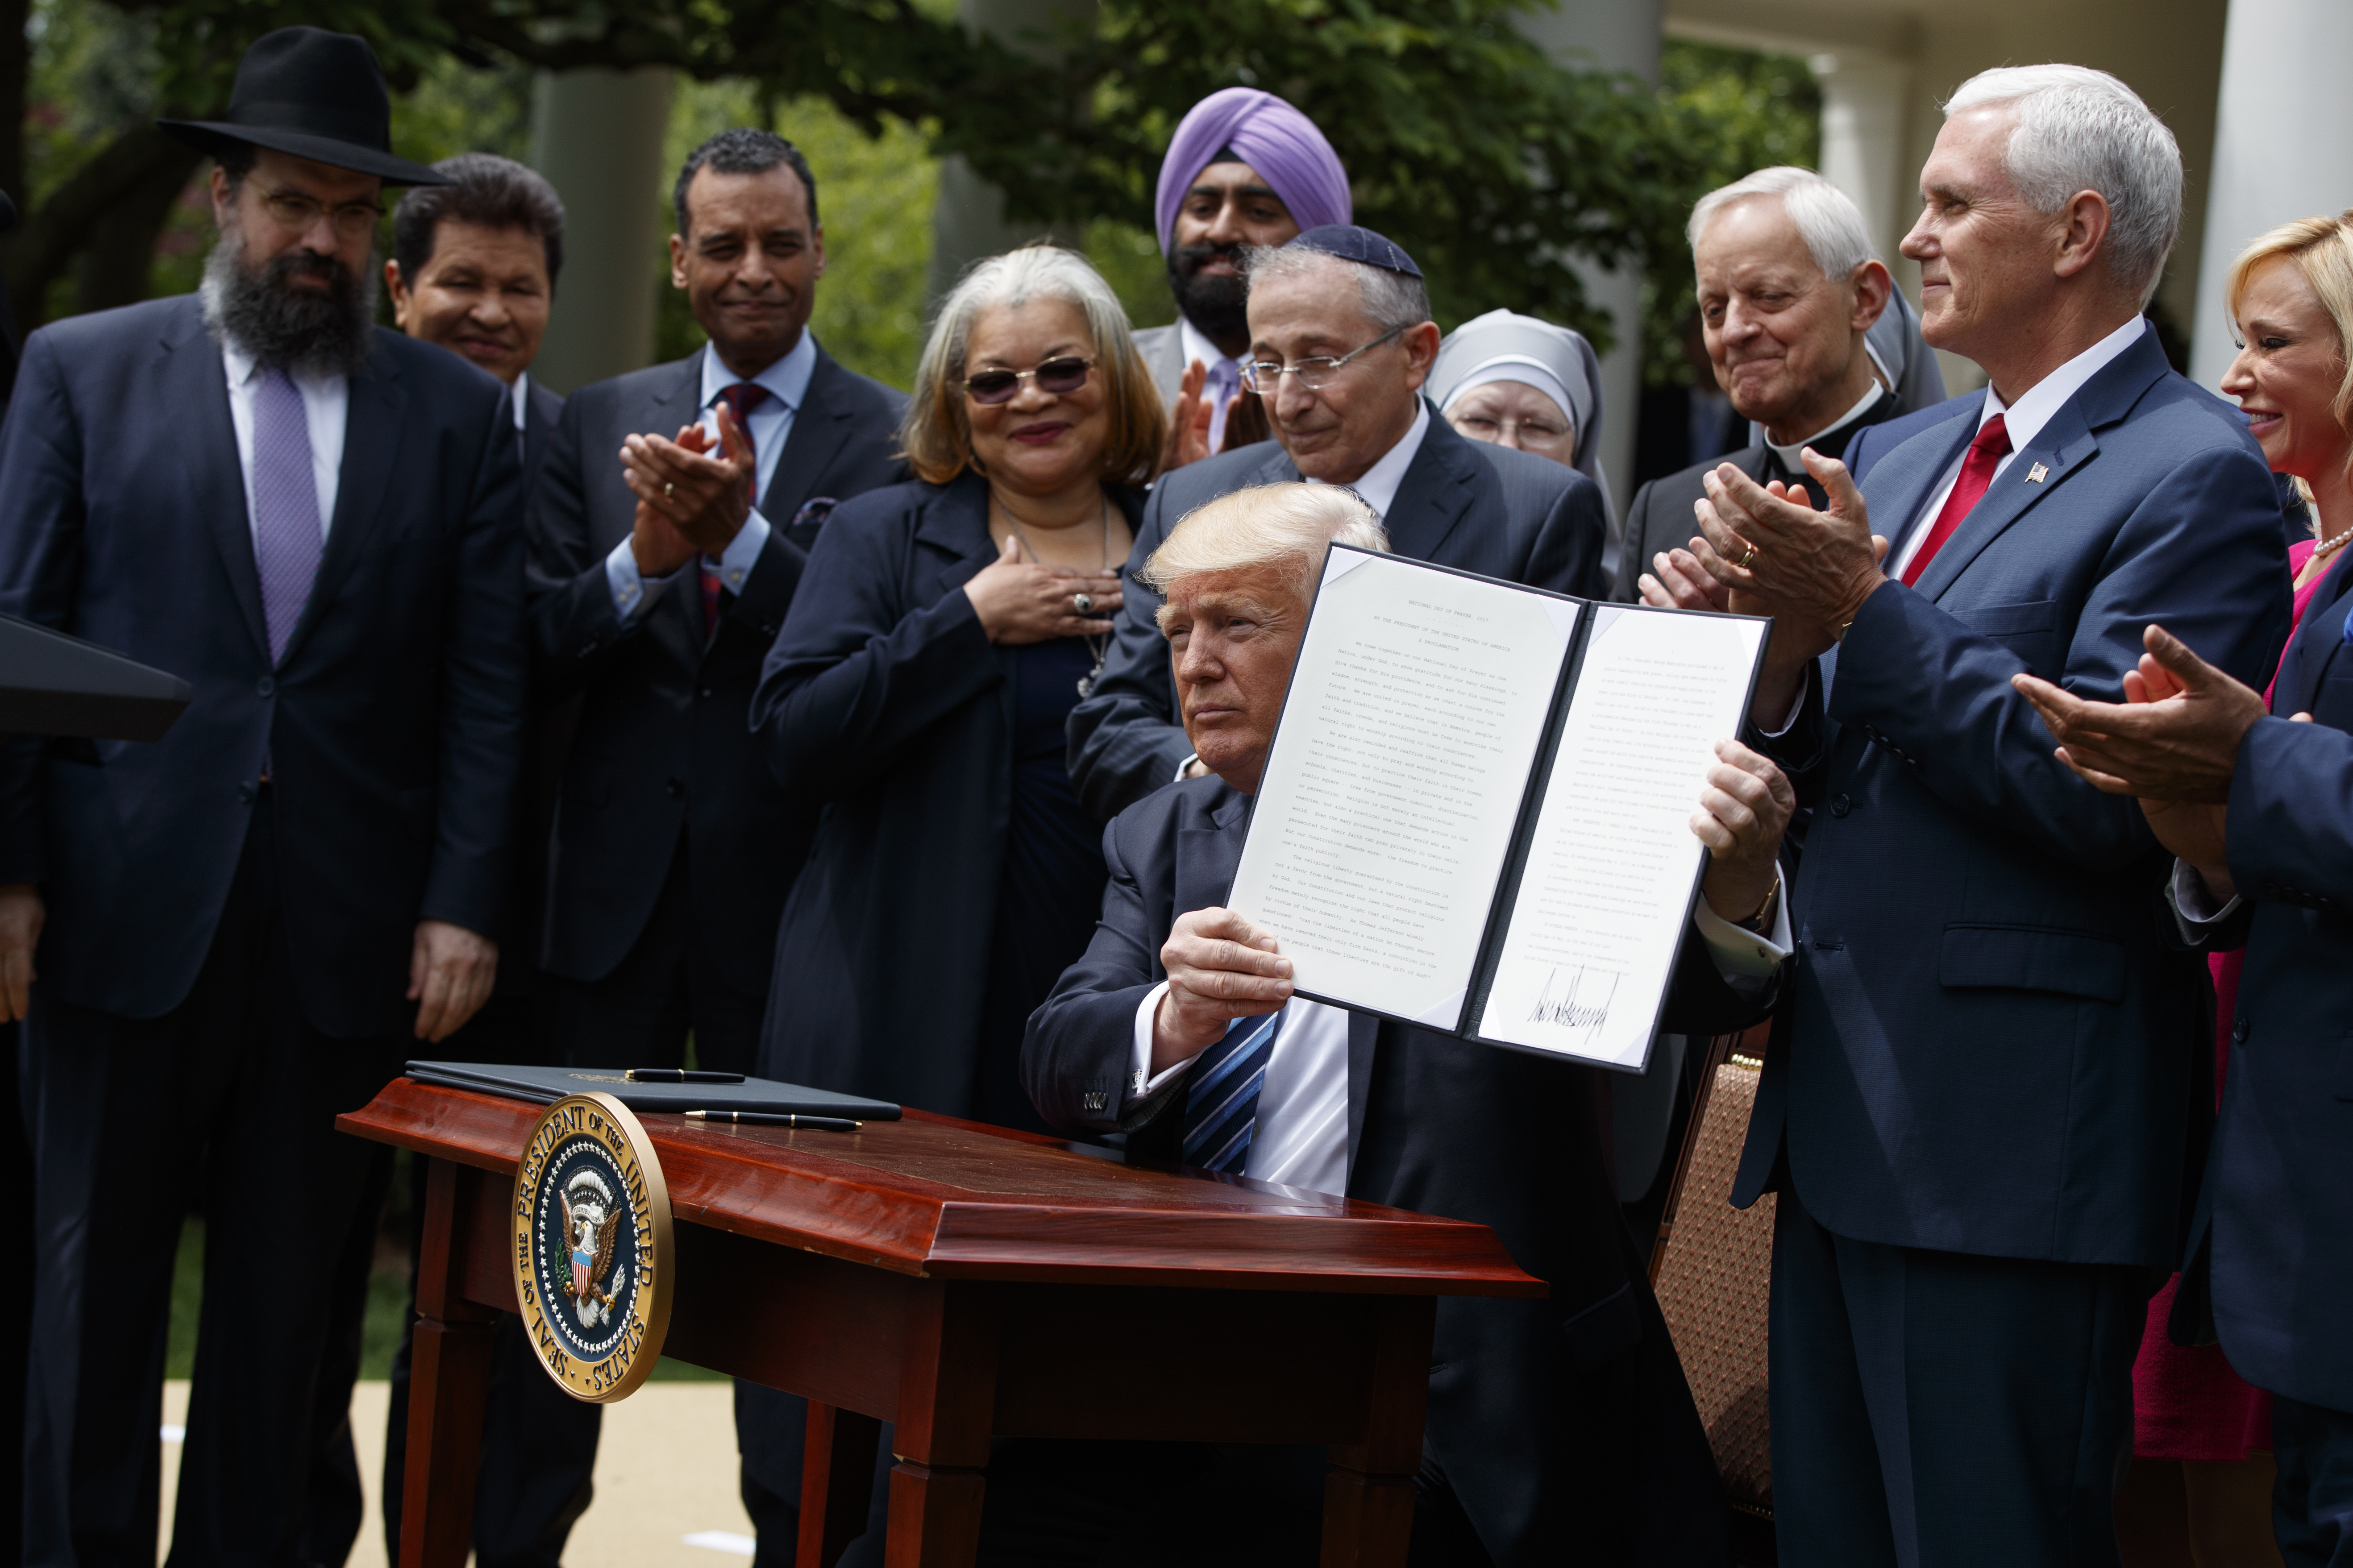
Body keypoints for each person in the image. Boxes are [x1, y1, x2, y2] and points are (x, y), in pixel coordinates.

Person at [1661, 66, 2292, 1564]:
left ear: (2077, 231)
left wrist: (1859, 614)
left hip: (2014, 1154)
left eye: (1952, 201)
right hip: (1841, 1119)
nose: (1917, 233)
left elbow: (2112, 807)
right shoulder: (1899, 454)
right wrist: (1763, 667)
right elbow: (1836, 741)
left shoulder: (2195, 470)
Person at [1026, 479, 1796, 1561]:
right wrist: (1173, 1015)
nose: (1193, 664)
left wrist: (1737, 882)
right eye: (1176, 630)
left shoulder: (1507, 805)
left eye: (1237, 624)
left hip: (1458, 1389)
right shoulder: (1162, 835)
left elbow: (1693, 993)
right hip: (1198, 1357)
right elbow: (1059, 1060)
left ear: (1363, 632)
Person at [0, 27, 525, 1566]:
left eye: (357, 216)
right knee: (88, 1300)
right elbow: (15, 638)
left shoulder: (449, 413)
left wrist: (462, 898)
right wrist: (10, 876)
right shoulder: (81, 372)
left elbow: (483, 679)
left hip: (345, 932)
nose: (324, 242)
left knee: (289, 1317)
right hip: (115, 913)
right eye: (295, 204)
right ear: (226, 197)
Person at [522, 125, 907, 1560]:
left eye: (781, 242)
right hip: (603, 914)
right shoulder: (586, 420)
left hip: (788, 910)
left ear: (815, 252)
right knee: (566, 1263)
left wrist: (739, 544)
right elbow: (531, 646)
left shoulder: (890, 436)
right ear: (678, 260)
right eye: (724, 244)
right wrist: (645, 562)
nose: (754, 269)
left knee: (791, 1290)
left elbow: (861, 652)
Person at [2016, 212, 2353, 1568]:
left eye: (2274, 341)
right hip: (2267, 1167)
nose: (2234, 372)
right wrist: (2192, 832)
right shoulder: (2301, 560)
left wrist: (2244, 756)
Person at [754, 244, 1155, 1128]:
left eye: (1061, 368)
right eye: (992, 382)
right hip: (893, 997)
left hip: (1105, 1011)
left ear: (1115, 380)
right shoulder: (878, 533)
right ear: (952, 403)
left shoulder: (1179, 541)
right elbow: (793, 738)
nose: (1031, 398)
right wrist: (967, 622)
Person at [1066, 224, 1611, 822]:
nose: (1288, 400)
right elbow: (1108, 726)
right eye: (1267, 365)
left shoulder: (1534, 509)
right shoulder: (1193, 497)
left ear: (1416, 355)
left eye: (1320, 361)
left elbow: (1543, 745)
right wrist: (1219, 776)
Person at [374, 150, 580, 1568]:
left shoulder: (582, 443)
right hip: (348, 915)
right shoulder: (346, 425)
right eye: (463, 281)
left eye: (520, 287)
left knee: (544, 1278)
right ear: (402, 290)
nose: (491, 310)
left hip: (553, 934)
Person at [1620, 167, 1915, 611]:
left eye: (1770, 296)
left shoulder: (1947, 474)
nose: (1734, 330)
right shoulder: (1668, 507)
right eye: (1714, 309)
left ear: (1863, 299)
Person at [1135, 87, 1350, 466]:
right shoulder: (1106, 379)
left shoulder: (1354, 390)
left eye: (1260, 213)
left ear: (1314, 235)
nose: (1221, 232)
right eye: (1203, 208)